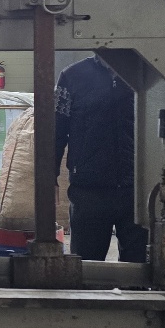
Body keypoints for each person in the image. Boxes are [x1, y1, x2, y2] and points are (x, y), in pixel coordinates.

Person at [54, 54, 147, 262]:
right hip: (89, 192)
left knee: (138, 267)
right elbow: (56, 130)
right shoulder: (72, 76)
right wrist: (49, 177)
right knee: (85, 265)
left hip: (137, 191)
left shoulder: (145, 74)